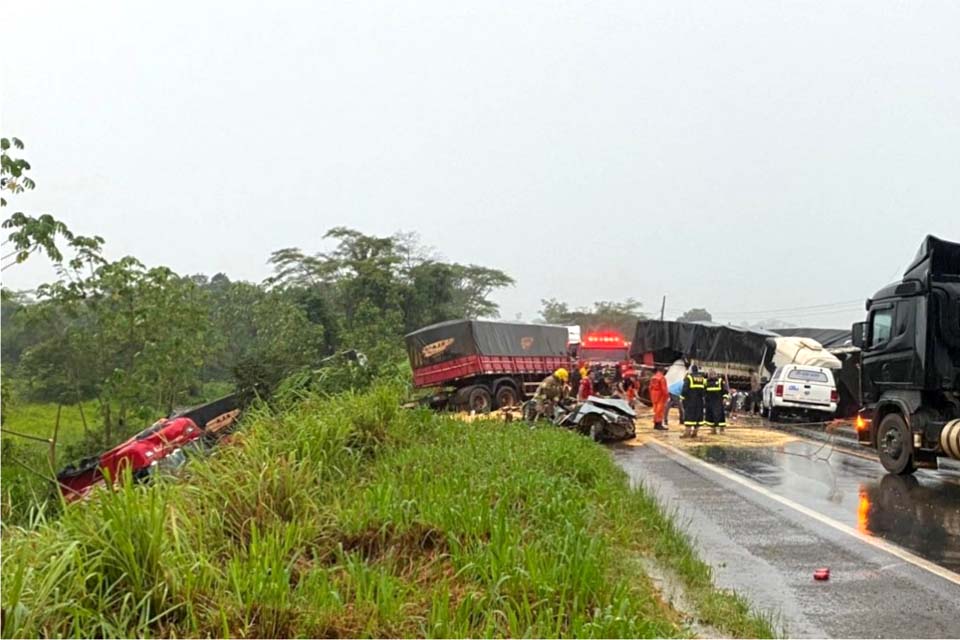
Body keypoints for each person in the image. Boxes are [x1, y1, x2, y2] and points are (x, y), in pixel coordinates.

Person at [680, 364, 707, 438]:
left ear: (691, 370)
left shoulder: (689, 377)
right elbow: (705, 390)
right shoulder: (702, 378)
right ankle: (695, 433)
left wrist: (682, 397)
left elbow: (685, 389)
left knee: (689, 415)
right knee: (698, 416)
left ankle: (687, 433)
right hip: (699, 401)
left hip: (690, 400)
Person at [648, 366, 669, 431]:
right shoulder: (662, 378)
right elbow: (664, 388)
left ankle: (655, 424)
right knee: (660, 410)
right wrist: (667, 396)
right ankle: (659, 424)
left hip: (653, 395)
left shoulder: (653, 377)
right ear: (662, 371)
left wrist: (651, 395)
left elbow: (650, 387)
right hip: (660, 395)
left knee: (655, 410)